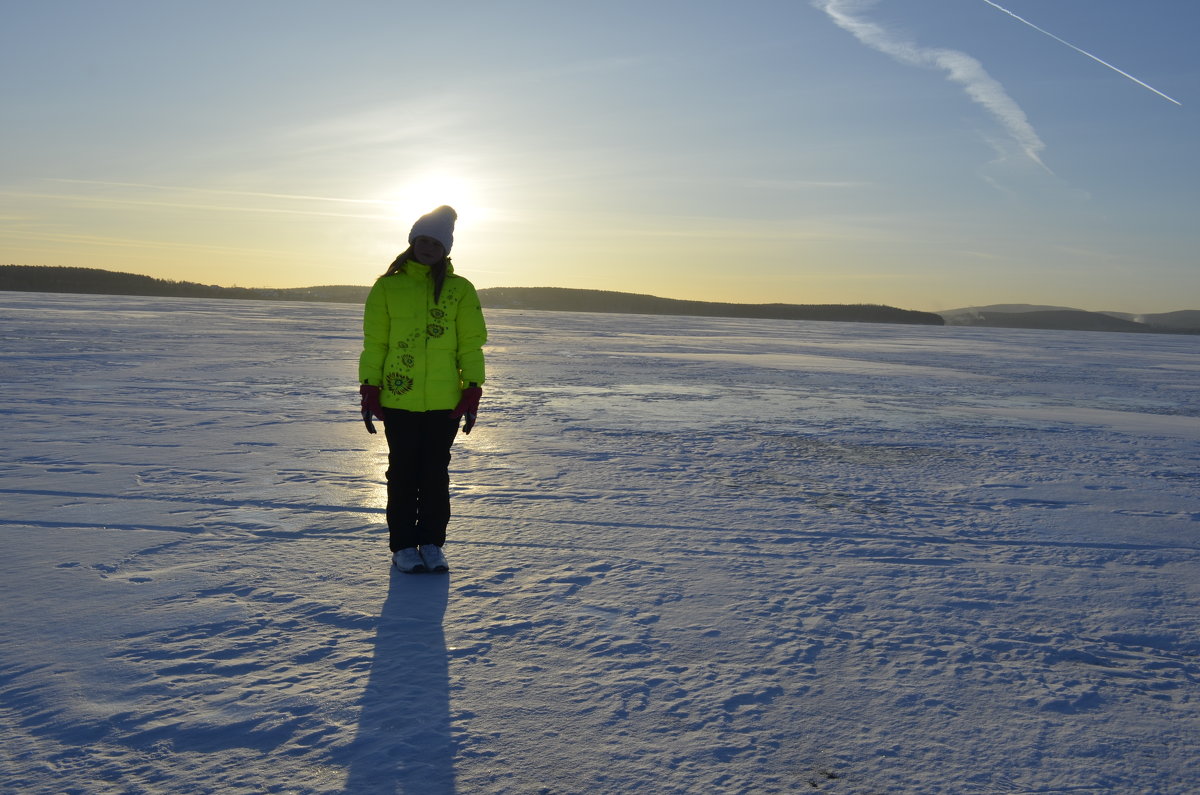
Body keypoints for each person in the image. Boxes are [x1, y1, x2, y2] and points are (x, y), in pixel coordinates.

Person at [358, 205, 487, 573]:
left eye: (436, 242)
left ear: (446, 248)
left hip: (444, 402)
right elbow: (375, 343)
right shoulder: (387, 287)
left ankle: (431, 542)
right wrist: (370, 387)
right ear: (413, 242)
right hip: (398, 398)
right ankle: (402, 546)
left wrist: (472, 389)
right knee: (402, 473)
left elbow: (470, 346)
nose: (428, 246)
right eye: (423, 240)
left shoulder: (460, 290)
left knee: (434, 473)